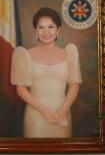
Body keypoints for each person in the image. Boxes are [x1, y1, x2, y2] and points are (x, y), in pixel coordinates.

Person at [9, 7, 82, 138]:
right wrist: (43, 110)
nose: (46, 32)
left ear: (58, 30)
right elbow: (21, 89)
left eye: (51, 27)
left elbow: (74, 85)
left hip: (63, 114)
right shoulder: (24, 55)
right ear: (35, 31)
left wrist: (63, 110)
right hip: (36, 115)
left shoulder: (69, 53)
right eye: (41, 27)